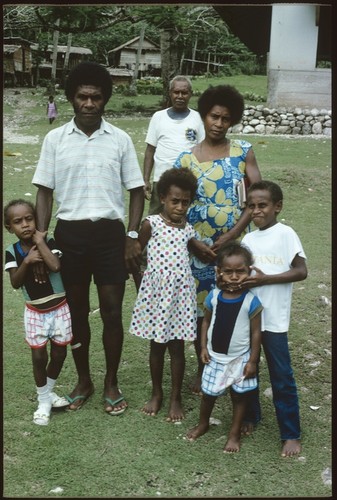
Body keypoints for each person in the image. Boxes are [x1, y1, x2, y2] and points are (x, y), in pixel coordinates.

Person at [32, 61, 145, 415]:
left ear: (105, 99)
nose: (90, 103)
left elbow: (137, 191)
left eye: (96, 97)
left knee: (112, 313)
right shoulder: (55, 139)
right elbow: (45, 193)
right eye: (82, 96)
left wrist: (130, 235)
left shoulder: (121, 139)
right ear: (72, 99)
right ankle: (84, 380)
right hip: (70, 236)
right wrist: (41, 239)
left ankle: (111, 382)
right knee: (76, 314)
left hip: (111, 237)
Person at [174, 84, 262, 394]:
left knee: (234, 304)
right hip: (198, 248)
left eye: (226, 119)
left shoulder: (243, 151)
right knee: (204, 310)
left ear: (232, 120)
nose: (219, 124)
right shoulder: (185, 160)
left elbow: (257, 198)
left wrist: (232, 235)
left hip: (234, 248)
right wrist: (194, 243)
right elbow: (175, 207)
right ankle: (204, 367)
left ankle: (237, 368)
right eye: (214, 116)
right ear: (204, 115)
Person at [129, 168, 214, 422]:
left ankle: (175, 397)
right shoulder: (150, 224)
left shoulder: (187, 230)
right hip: (156, 295)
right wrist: (141, 286)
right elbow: (134, 256)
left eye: (185, 202)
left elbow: (197, 251)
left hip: (180, 296)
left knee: (177, 347)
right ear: (163, 198)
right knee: (156, 347)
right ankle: (157, 393)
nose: (179, 207)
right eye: (174, 201)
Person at [241, 180, 307, 457]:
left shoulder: (285, 234)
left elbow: (301, 270)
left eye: (263, 205)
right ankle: (251, 415)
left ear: (277, 206)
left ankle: (290, 433)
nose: (256, 211)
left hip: (274, 321)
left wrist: (267, 279)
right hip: (248, 320)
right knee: (247, 370)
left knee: (281, 377)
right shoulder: (248, 239)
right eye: (251, 206)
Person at [186, 241, 262, 452]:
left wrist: (253, 361)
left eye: (240, 271)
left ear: (250, 271)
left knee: (239, 397)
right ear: (219, 272)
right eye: (229, 272)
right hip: (215, 357)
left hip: (240, 359)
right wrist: (202, 348)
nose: (235, 277)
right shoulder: (214, 296)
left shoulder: (251, 301)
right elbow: (206, 323)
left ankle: (234, 433)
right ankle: (203, 424)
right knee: (208, 394)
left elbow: (256, 333)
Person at [4, 199, 72, 426]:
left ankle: (49, 391)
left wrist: (39, 241)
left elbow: (55, 265)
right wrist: (28, 261)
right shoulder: (11, 251)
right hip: (35, 312)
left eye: (29, 219)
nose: (25, 224)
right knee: (39, 356)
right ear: (9, 227)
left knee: (60, 354)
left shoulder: (49, 242)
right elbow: (14, 282)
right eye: (18, 222)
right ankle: (43, 401)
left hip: (60, 308)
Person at [143, 75, 205, 215]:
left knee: (187, 219)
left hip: (189, 181)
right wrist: (146, 180)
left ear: (191, 94)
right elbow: (150, 151)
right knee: (156, 219)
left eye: (184, 93)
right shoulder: (158, 117)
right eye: (176, 92)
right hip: (161, 179)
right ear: (170, 93)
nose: (180, 96)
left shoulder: (198, 118)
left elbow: (203, 151)